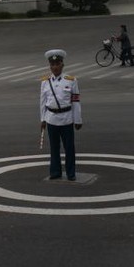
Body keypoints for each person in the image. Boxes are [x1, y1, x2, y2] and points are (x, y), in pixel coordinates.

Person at [39, 49, 83, 181]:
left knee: (69, 147)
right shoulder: (45, 82)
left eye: (57, 64)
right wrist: (42, 119)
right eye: (52, 65)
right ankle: (55, 172)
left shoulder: (71, 80)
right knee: (54, 147)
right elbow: (42, 102)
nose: (54, 67)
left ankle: (71, 173)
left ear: (62, 65)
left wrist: (78, 119)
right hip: (51, 118)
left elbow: (75, 101)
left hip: (66, 119)